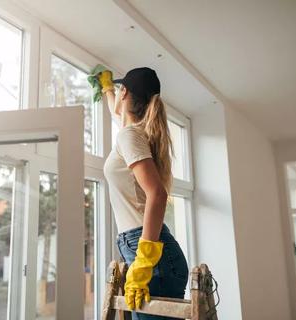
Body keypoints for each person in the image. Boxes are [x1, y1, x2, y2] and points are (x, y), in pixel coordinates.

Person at [100, 67, 189, 320]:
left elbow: (157, 195)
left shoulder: (129, 136)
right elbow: (116, 111)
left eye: (118, 89)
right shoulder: (135, 132)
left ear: (125, 92)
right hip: (153, 252)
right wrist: (107, 88)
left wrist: (143, 263)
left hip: (151, 255)